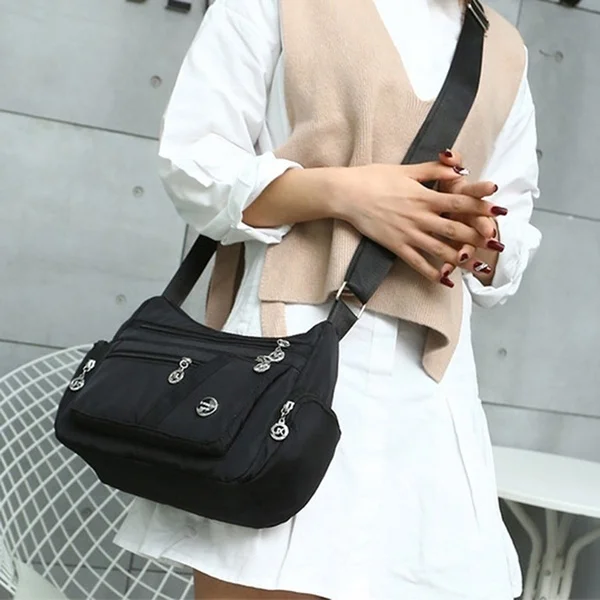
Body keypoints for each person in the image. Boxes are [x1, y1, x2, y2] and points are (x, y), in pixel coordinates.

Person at [114, 0, 542, 598]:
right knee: (257, 569)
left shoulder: (503, 47)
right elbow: (195, 164)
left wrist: (475, 230)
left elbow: (512, 227)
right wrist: (348, 194)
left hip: (426, 402)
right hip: (277, 374)